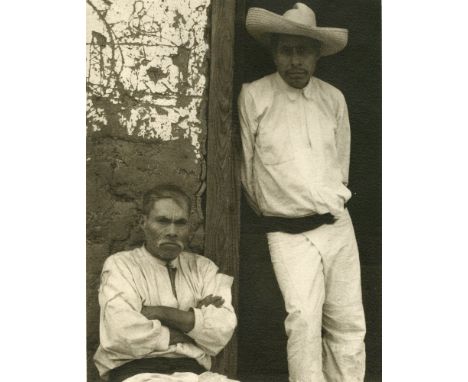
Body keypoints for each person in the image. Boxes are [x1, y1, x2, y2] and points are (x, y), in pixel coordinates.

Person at [238, 3, 366, 381]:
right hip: (287, 232)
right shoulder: (255, 97)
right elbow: (247, 171)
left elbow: (340, 165)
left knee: (347, 322)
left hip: (337, 225)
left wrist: (326, 200)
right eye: (286, 50)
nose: (295, 61)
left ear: (317, 54)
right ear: (274, 51)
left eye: (304, 51)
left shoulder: (333, 99)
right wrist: (282, 209)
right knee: (303, 322)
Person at [94, 185, 238, 382]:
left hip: (197, 375)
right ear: (143, 222)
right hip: (139, 374)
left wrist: (160, 313)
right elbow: (121, 334)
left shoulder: (204, 268)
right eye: (163, 221)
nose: (172, 231)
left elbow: (221, 331)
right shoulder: (121, 265)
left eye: (181, 223)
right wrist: (195, 328)